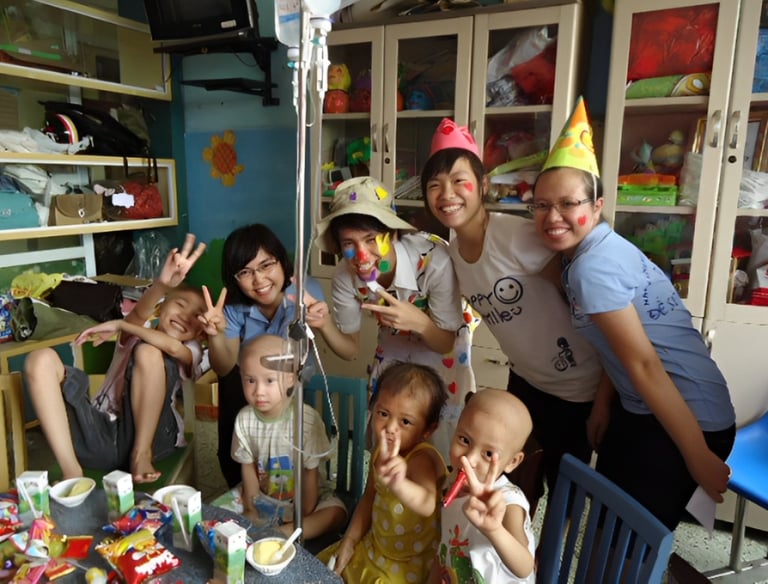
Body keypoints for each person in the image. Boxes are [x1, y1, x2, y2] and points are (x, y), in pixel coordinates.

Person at [529, 96, 736, 529]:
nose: (553, 217)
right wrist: (605, 404)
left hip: (687, 414)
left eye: (569, 204)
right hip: (645, 406)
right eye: (542, 205)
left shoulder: (591, 267)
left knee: (625, 541)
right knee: (609, 518)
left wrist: (697, 455)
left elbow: (645, 364)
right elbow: (619, 343)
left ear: (596, 205)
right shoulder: (592, 249)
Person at [422, 118, 608, 502]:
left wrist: (605, 397)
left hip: (578, 391)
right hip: (524, 384)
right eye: (435, 185)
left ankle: (544, 560)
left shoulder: (517, 237)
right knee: (511, 482)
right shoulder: (453, 254)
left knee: (564, 494)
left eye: (459, 181)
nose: (447, 194)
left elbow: (594, 312)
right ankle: (510, 557)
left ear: (484, 185)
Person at [310, 176, 477, 457]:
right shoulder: (345, 276)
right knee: (389, 443)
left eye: (371, 240)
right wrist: (324, 323)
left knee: (438, 447)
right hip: (393, 356)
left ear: (394, 234)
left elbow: (446, 341)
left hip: (443, 351)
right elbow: (350, 349)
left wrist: (418, 322)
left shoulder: (434, 260)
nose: (361, 255)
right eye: (348, 243)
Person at [24, 233, 207, 483]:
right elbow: (141, 314)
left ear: (200, 331)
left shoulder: (192, 349)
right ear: (161, 308)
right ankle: (71, 470)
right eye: (181, 304)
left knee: (148, 350)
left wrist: (122, 324)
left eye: (197, 315)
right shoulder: (136, 330)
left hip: (154, 437)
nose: (186, 315)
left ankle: (141, 454)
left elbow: (174, 349)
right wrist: (162, 285)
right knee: (40, 359)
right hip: (100, 432)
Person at [199, 223, 326, 488]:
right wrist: (215, 334)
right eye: (245, 272)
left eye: (266, 265)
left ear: (281, 262)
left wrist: (314, 316)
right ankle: (236, 471)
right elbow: (223, 367)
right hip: (252, 384)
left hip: (293, 380)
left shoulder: (305, 291)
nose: (259, 280)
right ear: (234, 277)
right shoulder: (234, 306)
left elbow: (301, 357)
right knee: (234, 379)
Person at [316, 362, 448, 583]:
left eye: (405, 421)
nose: (390, 428)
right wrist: (349, 540)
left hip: (406, 562)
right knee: (324, 569)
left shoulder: (422, 458)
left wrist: (400, 483)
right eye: (383, 413)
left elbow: (426, 504)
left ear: (428, 429)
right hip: (375, 546)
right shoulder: (379, 452)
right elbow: (369, 498)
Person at [210, 334, 347, 540]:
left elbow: (310, 473)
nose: (259, 391)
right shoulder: (244, 419)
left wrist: (303, 515)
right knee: (213, 512)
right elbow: (247, 468)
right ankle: (272, 533)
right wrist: (252, 508)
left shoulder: (306, 420)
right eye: (250, 381)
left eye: (269, 381)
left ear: (290, 378)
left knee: (337, 513)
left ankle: (281, 533)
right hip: (263, 495)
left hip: (306, 498)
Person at [430, 389, 535, 583]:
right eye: (464, 440)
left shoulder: (509, 502)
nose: (469, 459)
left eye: (488, 454)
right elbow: (443, 549)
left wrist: (494, 529)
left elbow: (524, 567)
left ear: (513, 461)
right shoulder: (449, 483)